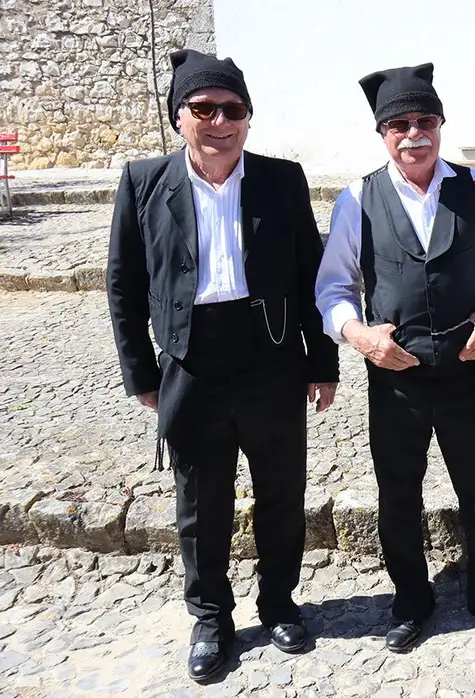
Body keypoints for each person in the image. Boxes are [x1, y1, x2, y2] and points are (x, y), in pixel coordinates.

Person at [106, 49, 339, 682]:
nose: (219, 122)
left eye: (231, 110)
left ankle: (279, 602)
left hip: (270, 357)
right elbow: (123, 283)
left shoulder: (280, 180)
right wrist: (142, 376)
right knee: (200, 500)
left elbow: (309, 275)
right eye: (203, 109)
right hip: (192, 359)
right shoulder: (143, 182)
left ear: (247, 119)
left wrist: (323, 363)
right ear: (180, 116)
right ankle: (210, 617)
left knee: (282, 492)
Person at [314, 63, 475, 650]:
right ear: (383, 133)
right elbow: (333, 287)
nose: (414, 134)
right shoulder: (358, 198)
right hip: (396, 377)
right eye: (400, 124)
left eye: (425, 120)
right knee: (398, 491)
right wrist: (359, 337)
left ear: (440, 124)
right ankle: (411, 598)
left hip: (468, 369)